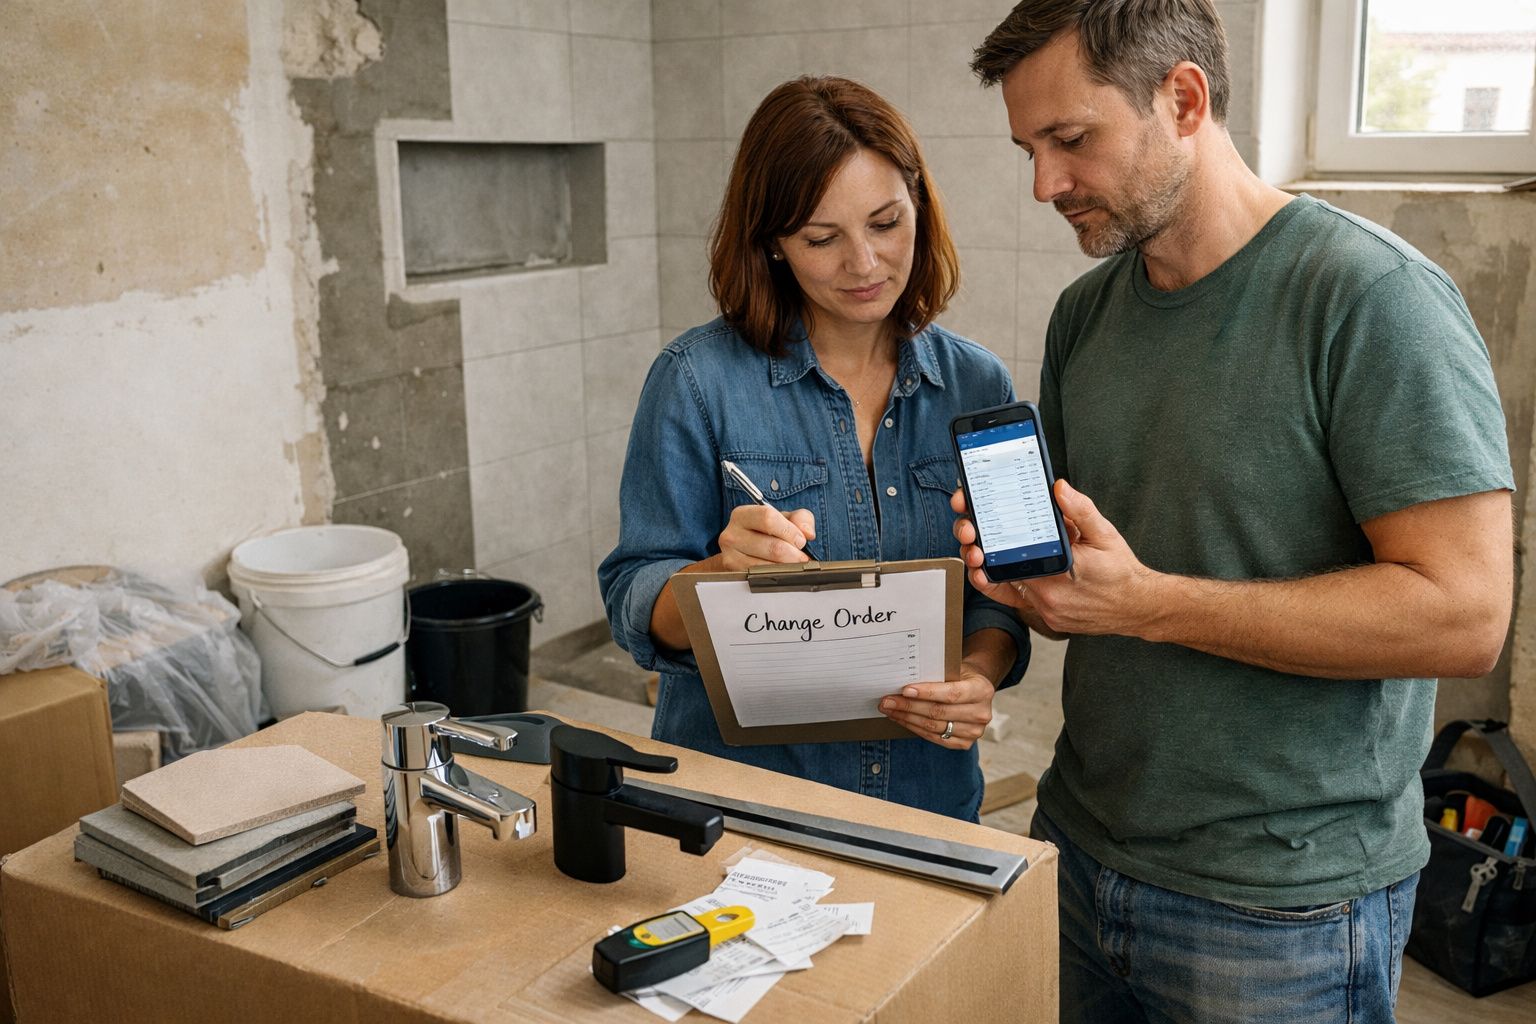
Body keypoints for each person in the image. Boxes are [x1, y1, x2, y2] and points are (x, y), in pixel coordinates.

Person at [954, 2, 1515, 1021]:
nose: (1044, 184)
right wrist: (1040, 583)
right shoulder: (1087, 311)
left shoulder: (1371, 299)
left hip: (1282, 910)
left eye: (1071, 140)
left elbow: (1467, 617)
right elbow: (1096, 571)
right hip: (1080, 846)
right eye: (1029, 148)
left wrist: (1144, 603)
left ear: (1184, 99)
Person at [598, 76, 1031, 821]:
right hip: (742, 805)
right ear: (772, 243)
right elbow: (633, 595)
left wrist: (977, 675)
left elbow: (1003, 593)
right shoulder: (696, 381)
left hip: (926, 799)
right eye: (822, 239)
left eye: (887, 223)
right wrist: (713, 578)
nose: (863, 264)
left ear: (920, 208)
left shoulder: (978, 384)